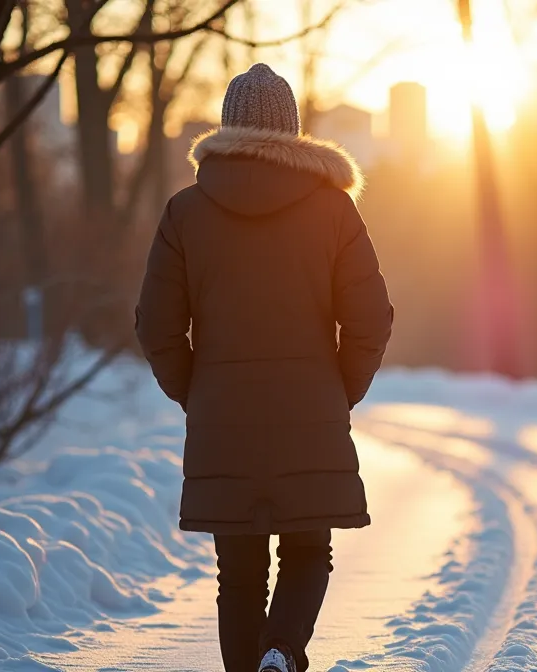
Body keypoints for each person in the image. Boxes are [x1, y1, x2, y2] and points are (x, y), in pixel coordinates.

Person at [134, 63, 393, 672]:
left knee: (239, 572)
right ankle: (281, 650)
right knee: (308, 551)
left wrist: (196, 391)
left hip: (223, 415)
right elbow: (372, 317)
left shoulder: (185, 212)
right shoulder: (333, 212)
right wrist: (340, 390)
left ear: (227, 127)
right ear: (294, 130)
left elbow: (156, 326)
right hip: (310, 410)